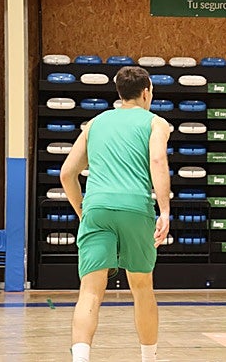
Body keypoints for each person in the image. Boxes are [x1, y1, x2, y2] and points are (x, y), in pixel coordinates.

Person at [60, 65, 171, 362]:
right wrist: (165, 211)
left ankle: (80, 359)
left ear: (120, 93)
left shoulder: (95, 123)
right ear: (146, 92)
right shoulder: (156, 123)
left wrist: (83, 211)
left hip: (97, 207)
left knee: (91, 291)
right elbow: (158, 161)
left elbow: (67, 173)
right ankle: (148, 358)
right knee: (142, 288)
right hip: (135, 206)